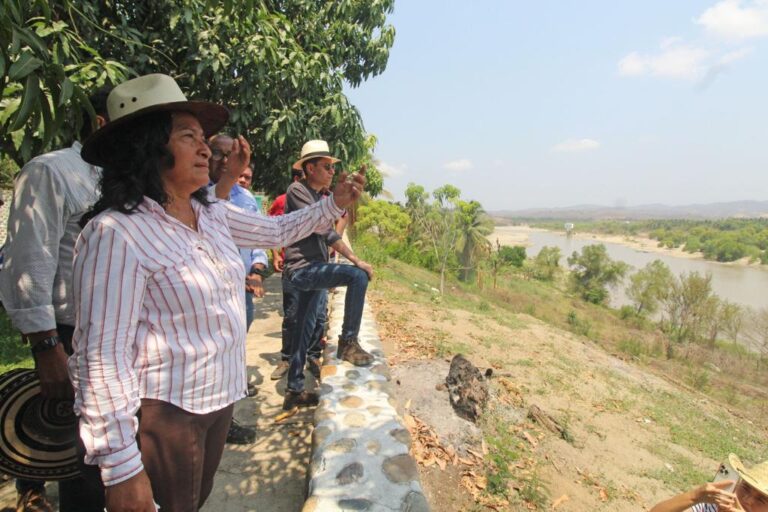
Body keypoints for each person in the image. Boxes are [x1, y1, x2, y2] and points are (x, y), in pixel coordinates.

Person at [69, 74, 365, 512]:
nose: (206, 148)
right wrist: (119, 466)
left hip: (218, 401)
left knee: (193, 502)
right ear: (148, 147)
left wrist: (334, 202)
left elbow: (278, 229)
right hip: (171, 412)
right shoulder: (118, 233)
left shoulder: (209, 213)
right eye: (189, 137)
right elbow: (101, 357)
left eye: (203, 137)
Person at [0, 90, 110, 512]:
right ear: (103, 124)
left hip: (114, 338)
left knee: (108, 455)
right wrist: (47, 346)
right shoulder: (54, 172)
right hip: (69, 335)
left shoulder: (127, 182)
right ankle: (33, 492)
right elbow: (29, 261)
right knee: (77, 458)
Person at [281, 140, 375, 411]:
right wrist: (356, 264)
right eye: (326, 167)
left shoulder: (318, 198)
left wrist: (356, 258)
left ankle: (294, 390)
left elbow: (331, 233)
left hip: (313, 270)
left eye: (333, 167)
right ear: (309, 168)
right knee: (357, 277)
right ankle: (347, 342)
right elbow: (325, 229)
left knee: (304, 330)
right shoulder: (298, 191)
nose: (332, 172)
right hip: (303, 269)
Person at [207, 134, 269, 445]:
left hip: (240, 288)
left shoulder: (244, 200)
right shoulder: (194, 195)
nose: (223, 162)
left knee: (233, 350)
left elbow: (261, 239)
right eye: (216, 154)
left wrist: (257, 271)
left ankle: (224, 418)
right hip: (207, 295)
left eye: (230, 156)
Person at [267, 167, 305, 381]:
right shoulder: (282, 201)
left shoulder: (322, 199)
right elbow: (272, 226)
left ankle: (313, 357)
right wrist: (275, 254)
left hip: (314, 266)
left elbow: (341, 216)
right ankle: (286, 358)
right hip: (291, 266)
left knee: (316, 316)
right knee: (291, 314)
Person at [650, 454, 768, 512]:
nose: (748, 499)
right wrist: (695, 496)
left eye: (761, 499)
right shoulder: (713, 506)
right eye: (746, 488)